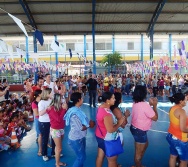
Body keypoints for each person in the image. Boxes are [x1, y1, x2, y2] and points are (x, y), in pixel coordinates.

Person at [64, 92, 95, 167]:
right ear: (78, 100)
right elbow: (80, 128)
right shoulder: (74, 113)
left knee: (81, 156)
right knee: (81, 157)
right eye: (82, 98)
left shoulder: (77, 109)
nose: (83, 99)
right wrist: (89, 125)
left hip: (80, 137)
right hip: (76, 139)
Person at [95, 92, 126, 167]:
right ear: (108, 100)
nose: (115, 100)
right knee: (112, 160)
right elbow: (110, 130)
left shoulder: (101, 107)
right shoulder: (107, 114)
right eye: (113, 98)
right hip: (107, 138)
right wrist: (119, 123)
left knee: (100, 156)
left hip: (100, 135)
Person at [130, 85, 158, 167]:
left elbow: (143, 111)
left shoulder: (135, 102)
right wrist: (154, 105)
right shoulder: (144, 105)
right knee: (139, 152)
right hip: (140, 130)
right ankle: (137, 164)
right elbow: (155, 118)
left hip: (135, 128)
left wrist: (150, 105)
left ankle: (138, 163)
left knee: (145, 144)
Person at [41, 93, 67, 167]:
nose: (63, 99)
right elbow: (58, 119)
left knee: (57, 147)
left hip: (61, 128)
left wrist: (65, 109)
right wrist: (64, 109)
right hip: (55, 130)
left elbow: (64, 116)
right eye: (61, 98)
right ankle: (57, 164)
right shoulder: (51, 108)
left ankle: (57, 162)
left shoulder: (60, 107)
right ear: (58, 99)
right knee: (59, 148)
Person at [166, 93, 188, 167]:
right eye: (185, 100)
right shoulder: (181, 112)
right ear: (181, 101)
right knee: (184, 161)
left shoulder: (172, 108)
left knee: (173, 156)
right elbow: (183, 128)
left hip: (171, 136)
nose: (186, 101)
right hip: (180, 139)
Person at [31, 89, 42, 156]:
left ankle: (47, 143)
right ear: (39, 94)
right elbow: (36, 114)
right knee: (40, 135)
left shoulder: (42, 101)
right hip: (38, 120)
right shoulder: (34, 103)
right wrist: (45, 111)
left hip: (43, 119)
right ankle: (40, 149)